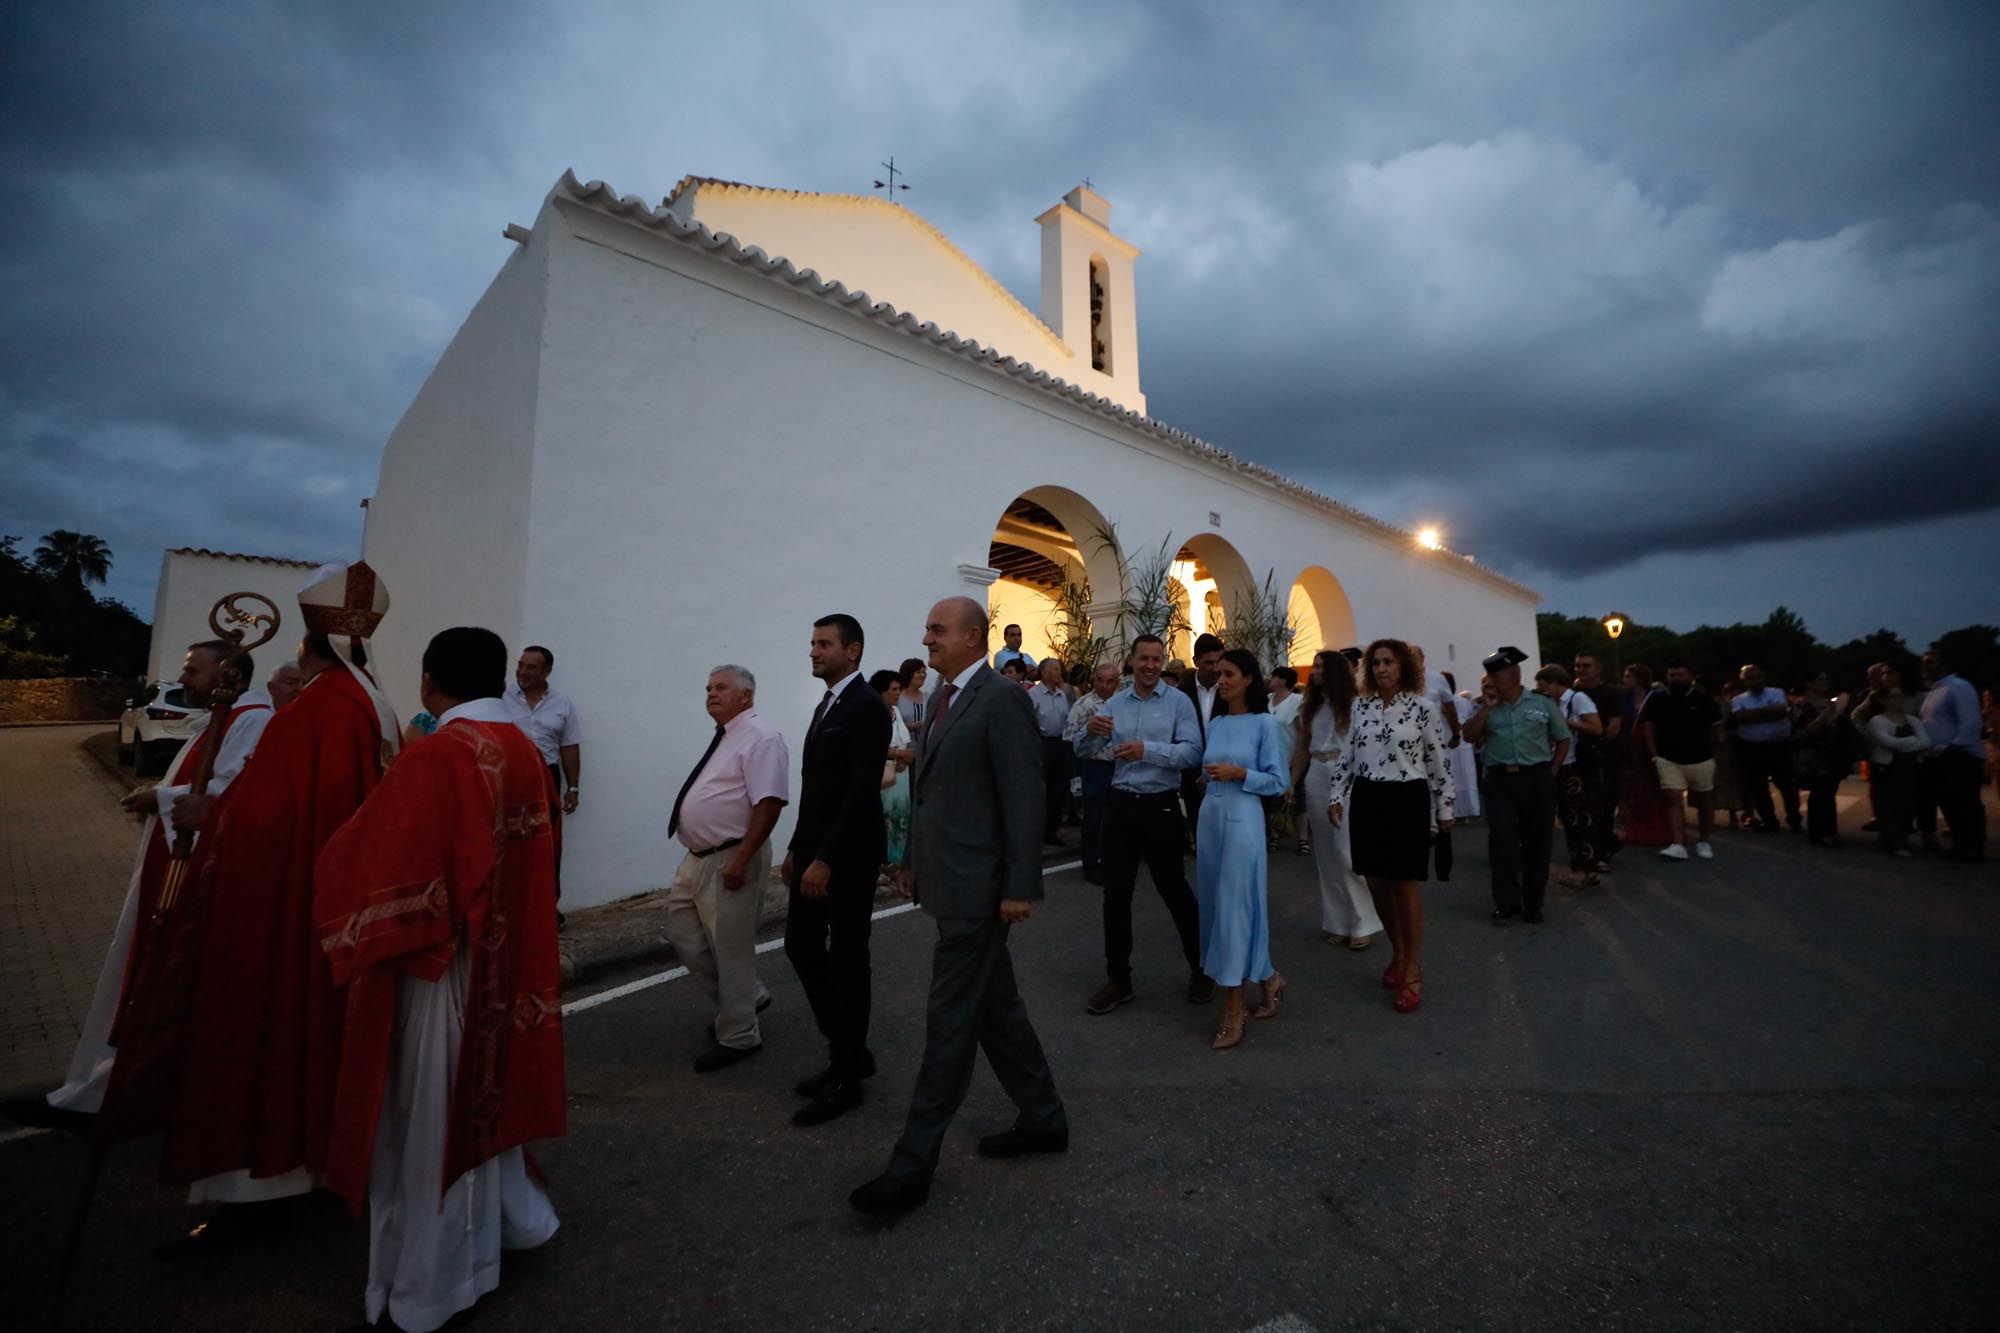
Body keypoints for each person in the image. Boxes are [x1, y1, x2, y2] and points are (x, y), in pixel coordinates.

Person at [110, 562, 399, 1256]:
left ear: (310, 640)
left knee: (259, 1041)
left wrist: (209, 813)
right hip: (334, 907)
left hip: (281, 911)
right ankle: (323, 1172)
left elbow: (265, 818)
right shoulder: (370, 703)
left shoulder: (320, 708)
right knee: (317, 1041)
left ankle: (256, 1199)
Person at [314, 626, 563, 1333]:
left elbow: (374, 861)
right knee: (481, 1109)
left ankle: (431, 1286)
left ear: (429, 682)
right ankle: (499, 1239)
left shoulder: (441, 754)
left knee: (424, 1127)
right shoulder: (522, 748)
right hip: (503, 962)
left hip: (441, 970)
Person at [849, 597, 1065, 1219]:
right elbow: (933, 792)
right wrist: (913, 856)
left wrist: (1021, 885)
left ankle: (910, 1167)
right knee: (996, 1010)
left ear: (974, 636)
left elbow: (1025, 796)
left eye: (938, 630)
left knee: (948, 1025)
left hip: (980, 890)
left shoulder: (1001, 698)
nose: (928, 638)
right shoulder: (944, 698)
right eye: (928, 629)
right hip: (951, 881)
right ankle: (1045, 1117)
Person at [13, 640, 274, 1130]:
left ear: (227, 672)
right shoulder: (228, 715)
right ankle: (104, 1086)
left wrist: (165, 797)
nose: (185, 679)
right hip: (167, 857)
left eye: (193, 670)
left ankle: (118, 1092)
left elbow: (233, 793)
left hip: (187, 866)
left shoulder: (251, 719)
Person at [784, 614, 892, 1127]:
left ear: (853, 651)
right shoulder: (828, 703)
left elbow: (858, 793)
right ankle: (848, 1049)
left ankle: (847, 1075)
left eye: (824, 644)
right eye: (812, 643)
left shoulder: (867, 708)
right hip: (815, 850)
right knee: (800, 945)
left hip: (846, 858)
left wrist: (825, 859)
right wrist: (796, 850)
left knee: (849, 960)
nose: (813, 651)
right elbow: (817, 788)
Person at [666, 665, 789, 1074]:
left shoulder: (762, 737)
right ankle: (747, 996)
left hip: (731, 856)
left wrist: (740, 861)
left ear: (746, 696)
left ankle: (739, 1033)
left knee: (730, 949)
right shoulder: (729, 735)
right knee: (683, 933)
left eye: (721, 688)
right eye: (708, 688)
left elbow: (768, 803)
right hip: (698, 857)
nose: (711, 694)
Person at [1082, 633, 1209, 1015]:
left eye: (1157, 659)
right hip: (1120, 805)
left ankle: (1202, 968)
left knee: (1174, 890)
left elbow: (1193, 752)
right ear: (1131, 661)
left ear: (1164, 661)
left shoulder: (1178, 702)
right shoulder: (1114, 702)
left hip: (1161, 806)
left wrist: (1147, 750)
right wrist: (1090, 735)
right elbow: (1086, 750)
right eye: (1143, 659)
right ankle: (1119, 979)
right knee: (1115, 894)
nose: (1150, 666)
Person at [1327, 639, 1453, 1012]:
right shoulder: (1360, 706)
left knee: (1404, 885)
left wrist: (1445, 809)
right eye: (1376, 663)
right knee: (1375, 881)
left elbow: (1439, 762)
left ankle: (1413, 966)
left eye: (1388, 662)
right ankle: (1398, 953)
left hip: (1407, 798)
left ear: (1404, 668)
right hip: (1368, 798)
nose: (1381, 668)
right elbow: (1347, 756)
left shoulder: (1423, 708)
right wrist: (1336, 794)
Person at [1196, 649, 1289, 1050]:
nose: (1222, 680)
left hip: (1243, 818)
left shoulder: (1265, 724)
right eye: (1219, 674)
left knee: (1236, 908)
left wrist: (1240, 774)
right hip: (1211, 816)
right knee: (1217, 906)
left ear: (1250, 678)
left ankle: (1233, 1009)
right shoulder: (1216, 723)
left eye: (1230, 673)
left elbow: (1278, 781)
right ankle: (1268, 977)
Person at [1461, 647, 1567, 927]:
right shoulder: (1483, 704)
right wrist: (1487, 707)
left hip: (1536, 779)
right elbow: (1469, 736)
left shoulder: (1542, 703)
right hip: (1499, 782)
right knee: (1503, 842)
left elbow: (1563, 737)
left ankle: (1533, 904)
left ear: (1514, 673)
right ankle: (1506, 903)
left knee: (1537, 844)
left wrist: (1552, 771)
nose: (1492, 678)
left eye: (1498, 672)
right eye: (1491, 673)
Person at [1295, 650, 1380, 951]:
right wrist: (1292, 783)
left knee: (1346, 851)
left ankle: (1362, 922)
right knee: (1327, 854)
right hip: (1317, 773)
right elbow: (1303, 748)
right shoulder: (1311, 707)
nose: (1313, 671)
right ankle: (1338, 921)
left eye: (1319, 666)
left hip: (1346, 777)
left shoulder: (1357, 705)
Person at [504, 645, 582, 904]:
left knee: (548, 843)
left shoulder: (562, 704)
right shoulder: (500, 696)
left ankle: (546, 906)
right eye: (520, 665)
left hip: (546, 776)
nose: (523, 672)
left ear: (547, 671)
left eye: (531, 667)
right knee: (508, 841)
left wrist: (573, 788)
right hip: (508, 776)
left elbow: (569, 747)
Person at [1637, 660, 1725, 861]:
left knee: (1704, 801)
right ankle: (1678, 843)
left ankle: (1704, 840)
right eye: (1672, 676)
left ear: (1690, 676)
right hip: (1668, 758)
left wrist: (1714, 757)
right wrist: (1654, 755)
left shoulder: (1704, 699)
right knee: (1672, 799)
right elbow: (1648, 727)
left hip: (1701, 758)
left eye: (1680, 675)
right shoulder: (1657, 699)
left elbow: (1718, 729)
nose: (1675, 679)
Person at [1536, 664, 1605, 888]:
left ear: (1556, 683)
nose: (1541, 689)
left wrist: (1564, 723)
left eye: (1544, 684)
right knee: (1570, 819)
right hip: (1561, 764)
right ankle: (1587, 867)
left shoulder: (1577, 699)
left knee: (1578, 819)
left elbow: (1596, 728)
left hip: (1576, 767)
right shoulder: (1554, 703)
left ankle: (1583, 869)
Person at [1918, 648, 1988, 861]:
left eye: (1931, 662)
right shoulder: (1934, 691)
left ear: (1945, 665)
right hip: (1939, 757)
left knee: (1965, 803)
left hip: (1960, 756)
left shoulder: (1959, 687)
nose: (1926, 666)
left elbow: (1970, 722)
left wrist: (1953, 747)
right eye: (1924, 662)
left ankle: (1973, 847)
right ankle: (1961, 843)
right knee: (1949, 804)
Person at [1066, 662, 1122, 884]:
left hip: (1120, 765)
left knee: (1117, 818)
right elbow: (1069, 737)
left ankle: (1114, 860)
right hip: (1095, 766)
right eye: (1101, 680)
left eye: (1110, 681)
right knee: (1094, 818)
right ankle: (1091, 864)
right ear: (1093, 680)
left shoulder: (1123, 702)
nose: (1105, 685)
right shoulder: (1083, 705)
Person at [1571, 651, 1625, 868]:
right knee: (1580, 807)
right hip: (1577, 756)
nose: (1581, 670)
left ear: (1598, 668)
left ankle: (1603, 850)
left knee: (1604, 805)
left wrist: (1598, 743)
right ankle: (1586, 850)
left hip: (1603, 756)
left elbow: (1614, 725)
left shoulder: (1611, 693)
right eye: (1577, 666)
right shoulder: (1573, 693)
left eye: (1586, 665)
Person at [1731, 665, 1799, 833]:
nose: (1756, 681)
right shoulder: (1738, 700)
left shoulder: (1776, 692)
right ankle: (1769, 820)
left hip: (1778, 745)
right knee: (1758, 787)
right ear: (1745, 681)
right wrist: (1768, 712)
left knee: (1786, 784)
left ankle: (1794, 819)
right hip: (1752, 747)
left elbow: (1780, 712)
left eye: (1759, 676)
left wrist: (1753, 714)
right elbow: (1741, 718)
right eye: (1751, 678)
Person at [1864, 685, 1931, 856]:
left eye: (1900, 696)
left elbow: (1925, 742)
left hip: (1909, 768)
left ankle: (1900, 838)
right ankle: (1892, 842)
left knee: (1907, 804)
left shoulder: (1912, 720)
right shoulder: (1877, 721)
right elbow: (1888, 742)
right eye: (1892, 697)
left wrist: (1904, 744)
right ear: (1883, 700)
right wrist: (1912, 741)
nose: (1897, 700)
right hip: (1887, 768)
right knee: (1887, 804)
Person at [1791, 672, 1853, 847]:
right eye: (1820, 679)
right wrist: (1826, 716)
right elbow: (1802, 732)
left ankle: (1828, 831)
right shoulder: (1801, 704)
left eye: (1826, 679)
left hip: (1832, 754)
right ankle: (1821, 832)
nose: (1825, 682)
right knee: (1820, 793)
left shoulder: (1830, 703)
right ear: (1809, 683)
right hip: (1813, 755)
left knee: (1828, 792)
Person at [1617, 664, 1674, 846]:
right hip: (1629, 745)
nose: (1625, 679)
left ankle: (1660, 826)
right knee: (1634, 787)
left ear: (1639, 678)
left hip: (1652, 744)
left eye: (1628, 676)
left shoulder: (1657, 696)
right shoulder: (1622, 697)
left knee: (1655, 786)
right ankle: (1638, 825)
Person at [1178, 633, 1225, 836]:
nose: (1215, 668)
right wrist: (1196, 774)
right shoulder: (1182, 692)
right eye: (1209, 663)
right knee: (1201, 833)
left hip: (1225, 773)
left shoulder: (1229, 689)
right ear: (1196, 661)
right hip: (1191, 775)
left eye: (1218, 662)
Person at [1028, 658, 1074, 845]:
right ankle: (1034, 829)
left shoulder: (1062, 695)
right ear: (1045, 672)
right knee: (1039, 789)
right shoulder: (1034, 695)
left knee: (1058, 789)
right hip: (1042, 744)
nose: (1059, 672)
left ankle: (1052, 830)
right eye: (1055, 669)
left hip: (1060, 744)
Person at [872, 669, 915, 873]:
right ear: (881, 691)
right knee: (884, 818)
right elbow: (877, 745)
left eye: (899, 689)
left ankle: (897, 862)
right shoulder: (873, 713)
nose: (898, 693)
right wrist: (899, 754)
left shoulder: (895, 712)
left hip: (900, 772)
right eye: (894, 689)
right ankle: (882, 862)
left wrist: (903, 758)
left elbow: (904, 738)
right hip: (883, 774)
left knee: (900, 817)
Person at [1265, 666, 1305, 854]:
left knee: (1297, 799)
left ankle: (1302, 839)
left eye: (1273, 676)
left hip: (1291, 756)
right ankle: (1275, 835)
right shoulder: (1267, 701)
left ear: (1281, 680)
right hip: (1272, 759)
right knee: (1273, 799)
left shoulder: (1296, 701)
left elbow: (1301, 732)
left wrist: (1299, 756)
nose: (1270, 679)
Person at [1448, 677, 1483, 823]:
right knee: (1466, 777)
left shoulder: (1445, 703)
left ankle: (1454, 812)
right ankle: (1468, 810)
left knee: (1454, 778)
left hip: (1451, 743)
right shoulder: (1464, 702)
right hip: (1464, 744)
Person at [896, 657, 929, 733]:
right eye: (918, 672)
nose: (922, 675)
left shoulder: (928, 697)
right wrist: (909, 727)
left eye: (923, 672)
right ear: (908, 674)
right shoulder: (896, 697)